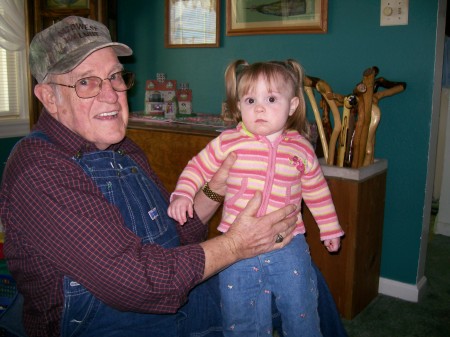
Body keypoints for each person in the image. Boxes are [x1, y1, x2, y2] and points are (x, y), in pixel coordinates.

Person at [0, 16, 347, 337]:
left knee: (301, 275)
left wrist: (214, 188)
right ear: (49, 98)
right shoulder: (39, 169)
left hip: (171, 292)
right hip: (106, 322)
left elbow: (176, 234)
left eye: (115, 76)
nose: (111, 94)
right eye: (86, 82)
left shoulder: (125, 150)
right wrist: (237, 245)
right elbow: (132, 282)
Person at [168, 59, 345, 336]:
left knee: (302, 309)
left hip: (289, 243)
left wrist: (329, 227)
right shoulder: (228, 141)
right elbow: (197, 167)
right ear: (239, 107)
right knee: (241, 316)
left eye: (271, 98)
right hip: (236, 248)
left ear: (293, 105)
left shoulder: (301, 147)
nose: (259, 108)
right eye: (250, 100)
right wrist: (182, 194)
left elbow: (316, 190)